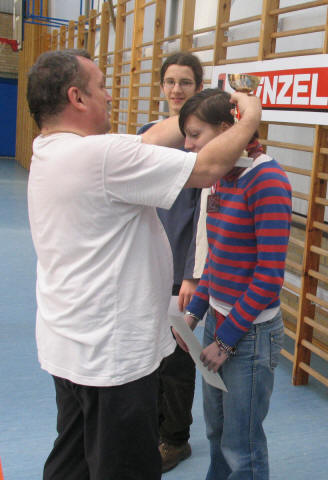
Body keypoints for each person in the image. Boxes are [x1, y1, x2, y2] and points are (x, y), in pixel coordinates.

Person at [26, 49, 261, 480]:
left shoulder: (52, 148)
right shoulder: (99, 158)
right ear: (77, 97)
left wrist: (208, 106)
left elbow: (150, 139)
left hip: (70, 346)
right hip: (111, 358)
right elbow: (209, 166)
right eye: (100, 87)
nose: (109, 95)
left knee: (72, 460)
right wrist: (249, 119)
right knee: (126, 468)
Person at [175, 89, 291, 480]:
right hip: (219, 323)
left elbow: (269, 278)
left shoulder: (267, 181)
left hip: (251, 335)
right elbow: (218, 258)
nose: (188, 145)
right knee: (216, 432)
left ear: (228, 130)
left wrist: (225, 341)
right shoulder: (219, 178)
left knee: (242, 445)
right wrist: (194, 313)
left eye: (195, 135)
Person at [137, 51, 203, 472]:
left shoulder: (204, 143)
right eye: (171, 82)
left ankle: (176, 439)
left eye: (186, 82)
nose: (177, 89)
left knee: (177, 358)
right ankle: (154, 430)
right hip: (146, 266)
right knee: (147, 353)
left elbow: (204, 215)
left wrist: (192, 275)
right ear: (162, 86)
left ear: (199, 88)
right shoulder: (147, 136)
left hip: (181, 273)